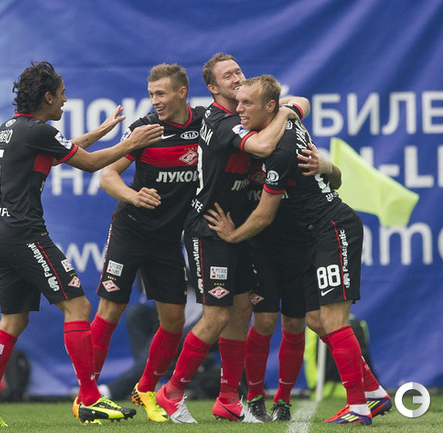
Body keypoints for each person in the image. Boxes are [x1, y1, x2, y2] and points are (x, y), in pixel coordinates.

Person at [0, 61, 164, 427]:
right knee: (78, 305)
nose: (65, 99)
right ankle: (90, 398)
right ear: (47, 97)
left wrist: (101, 132)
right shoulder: (36, 131)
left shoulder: (12, 127)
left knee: (12, 319)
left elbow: (61, 150)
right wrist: (131, 143)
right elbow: (88, 164)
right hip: (25, 234)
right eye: (61, 94)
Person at [205, 74, 391, 425]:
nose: (239, 109)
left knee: (332, 320)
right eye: (238, 101)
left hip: (331, 229)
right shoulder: (280, 120)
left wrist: (232, 236)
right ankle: (373, 392)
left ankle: (357, 407)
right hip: (311, 236)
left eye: (246, 103)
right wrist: (291, 111)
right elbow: (298, 103)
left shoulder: (279, 149)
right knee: (316, 320)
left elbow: (264, 215)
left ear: (269, 107)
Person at [154, 53, 310, 424]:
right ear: (212, 88)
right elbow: (263, 147)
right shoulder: (221, 121)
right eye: (228, 75)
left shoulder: (245, 114)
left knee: (240, 313)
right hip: (209, 229)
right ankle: (171, 392)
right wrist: (286, 114)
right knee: (216, 316)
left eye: (239, 71)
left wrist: (289, 107)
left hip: (234, 230)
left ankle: (228, 399)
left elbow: (302, 100)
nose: (237, 77)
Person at [89, 63, 205, 423]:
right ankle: (87, 395)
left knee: (174, 320)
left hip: (168, 239)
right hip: (131, 231)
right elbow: (107, 176)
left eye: (161, 93)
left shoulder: (204, 125)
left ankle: (146, 388)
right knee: (110, 311)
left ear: (182, 93)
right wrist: (133, 196)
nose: (154, 100)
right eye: (151, 93)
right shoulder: (145, 129)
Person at [243, 145, 341, 422]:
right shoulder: (243, 145)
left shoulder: (295, 145)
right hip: (260, 249)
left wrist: (328, 167)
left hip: (299, 248)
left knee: (295, 324)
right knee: (264, 322)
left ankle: (283, 401)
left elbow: (336, 180)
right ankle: (254, 398)